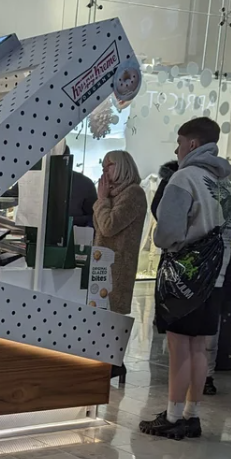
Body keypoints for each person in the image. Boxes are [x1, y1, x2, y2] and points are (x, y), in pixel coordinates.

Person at [140, 117, 231, 440]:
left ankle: (171, 416)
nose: (177, 149)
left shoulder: (184, 178)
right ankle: (191, 416)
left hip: (186, 279)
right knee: (199, 348)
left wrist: (174, 243)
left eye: (179, 143)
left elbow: (167, 232)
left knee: (178, 345)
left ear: (192, 144)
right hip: (218, 274)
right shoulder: (226, 179)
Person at [93, 150, 148, 382]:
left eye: (109, 166)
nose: (105, 171)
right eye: (103, 166)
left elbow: (108, 226)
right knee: (101, 313)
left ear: (123, 166)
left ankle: (115, 362)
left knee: (112, 313)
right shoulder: (113, 194)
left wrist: (102, 200)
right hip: (102, 262)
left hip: (118, 265)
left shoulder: (133, 194)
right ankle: (110, 362)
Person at [65, 148, 97, 227]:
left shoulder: (85, 183)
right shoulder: (85, 182)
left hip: (74, 234)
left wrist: (70, 220)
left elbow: (93, 218)